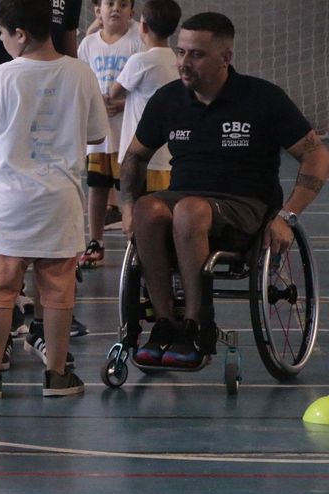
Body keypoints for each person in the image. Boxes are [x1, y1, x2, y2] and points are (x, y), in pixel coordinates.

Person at [120, 12, 329, 368]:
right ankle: (165, 323)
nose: (184, 63)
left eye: (196, 54)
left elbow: (316, 155)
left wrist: (288, 215)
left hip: (246, 205)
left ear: (226, 57)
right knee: (147, 210)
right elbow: (134, 158)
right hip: (185, 202)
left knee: (189, 210)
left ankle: (196, 326)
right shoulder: (168, 99)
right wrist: (127, 207)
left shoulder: (263, 99)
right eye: (181, 52)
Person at [0, 0, 108, 398]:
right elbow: (96, 134)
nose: (2, 42)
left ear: (20, 35)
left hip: (8, 205)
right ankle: (57, 375)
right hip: (60, 202)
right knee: (57, 291)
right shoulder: (80, 73)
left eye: (2, 35)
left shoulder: (0, 77)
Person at [77, 0, 142, 268]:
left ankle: (135, 241)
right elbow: (81, 81)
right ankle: (95, 240)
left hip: (126, 131)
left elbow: (145, 85)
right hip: (99, 132)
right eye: (110, 4)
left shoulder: (137, 42)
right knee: (96, 186)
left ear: (131, 12)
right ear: (98, 11)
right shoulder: (88, 45)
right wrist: (95, 104)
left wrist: (124, 104)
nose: (116, 9)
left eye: (123, 4)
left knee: (127, 189)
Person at [109, 0, 180, 196]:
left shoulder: (140, 60)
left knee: (134, 209)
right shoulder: (175, 60)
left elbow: (114, 92)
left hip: (139, 156)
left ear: (143, 26)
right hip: (165, 157)